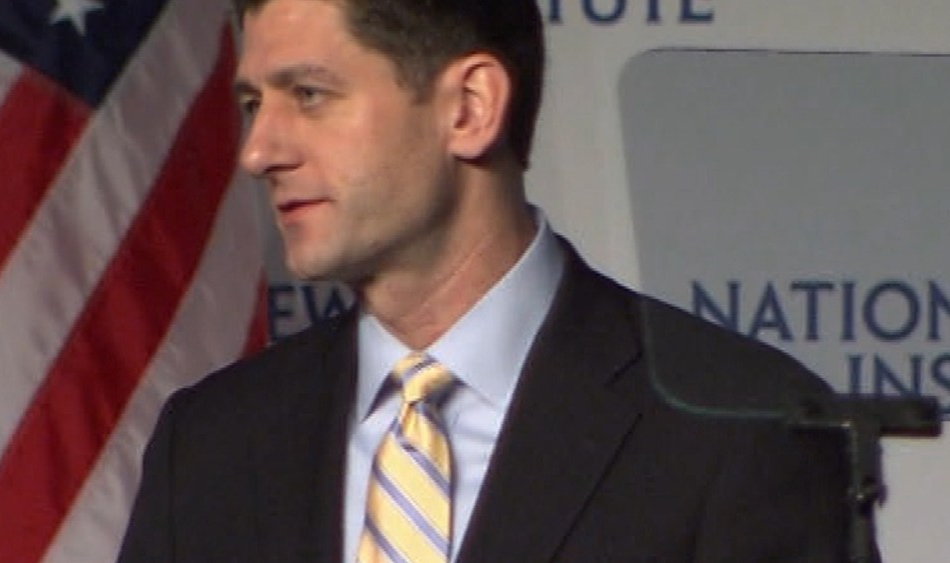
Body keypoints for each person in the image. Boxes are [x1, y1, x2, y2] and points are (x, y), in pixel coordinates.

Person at [117, 0, 854, 561]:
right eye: (253, 104)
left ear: (469, 108)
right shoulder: (208, 444)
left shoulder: (740, 430)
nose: (258, 151)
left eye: (308, 94)